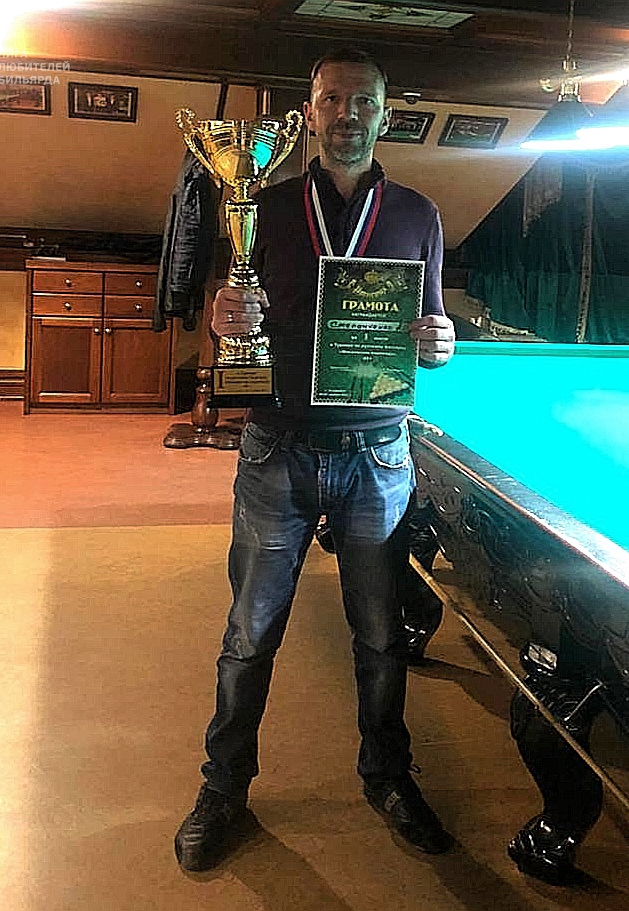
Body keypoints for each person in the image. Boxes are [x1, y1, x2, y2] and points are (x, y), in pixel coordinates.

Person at [175, 47, 457, 872]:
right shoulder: (258, 207)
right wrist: (224, 318)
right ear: (309, 113)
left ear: (385, 114)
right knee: (249, 635)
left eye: (362, 101)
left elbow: (431, 330)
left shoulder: (419, 215)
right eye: (332, 99)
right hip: (278, 448)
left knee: (381, 636)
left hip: (377, 453)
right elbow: (230, 318)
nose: (347, 114)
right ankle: (224, 786)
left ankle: (389, 775)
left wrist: (442, 342)